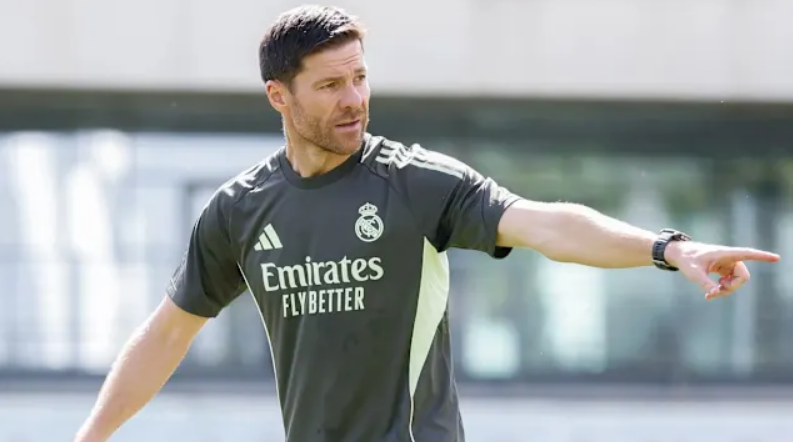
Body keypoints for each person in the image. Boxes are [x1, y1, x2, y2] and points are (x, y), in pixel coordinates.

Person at [73, 5, 781, 442]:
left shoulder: (415, 182)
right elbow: (167, 332)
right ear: (277, 96)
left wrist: (669, 248)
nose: (354, 99)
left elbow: (546, 225)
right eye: (330, 85)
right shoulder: (240, 209)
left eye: (359, 77)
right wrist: (92, 436)